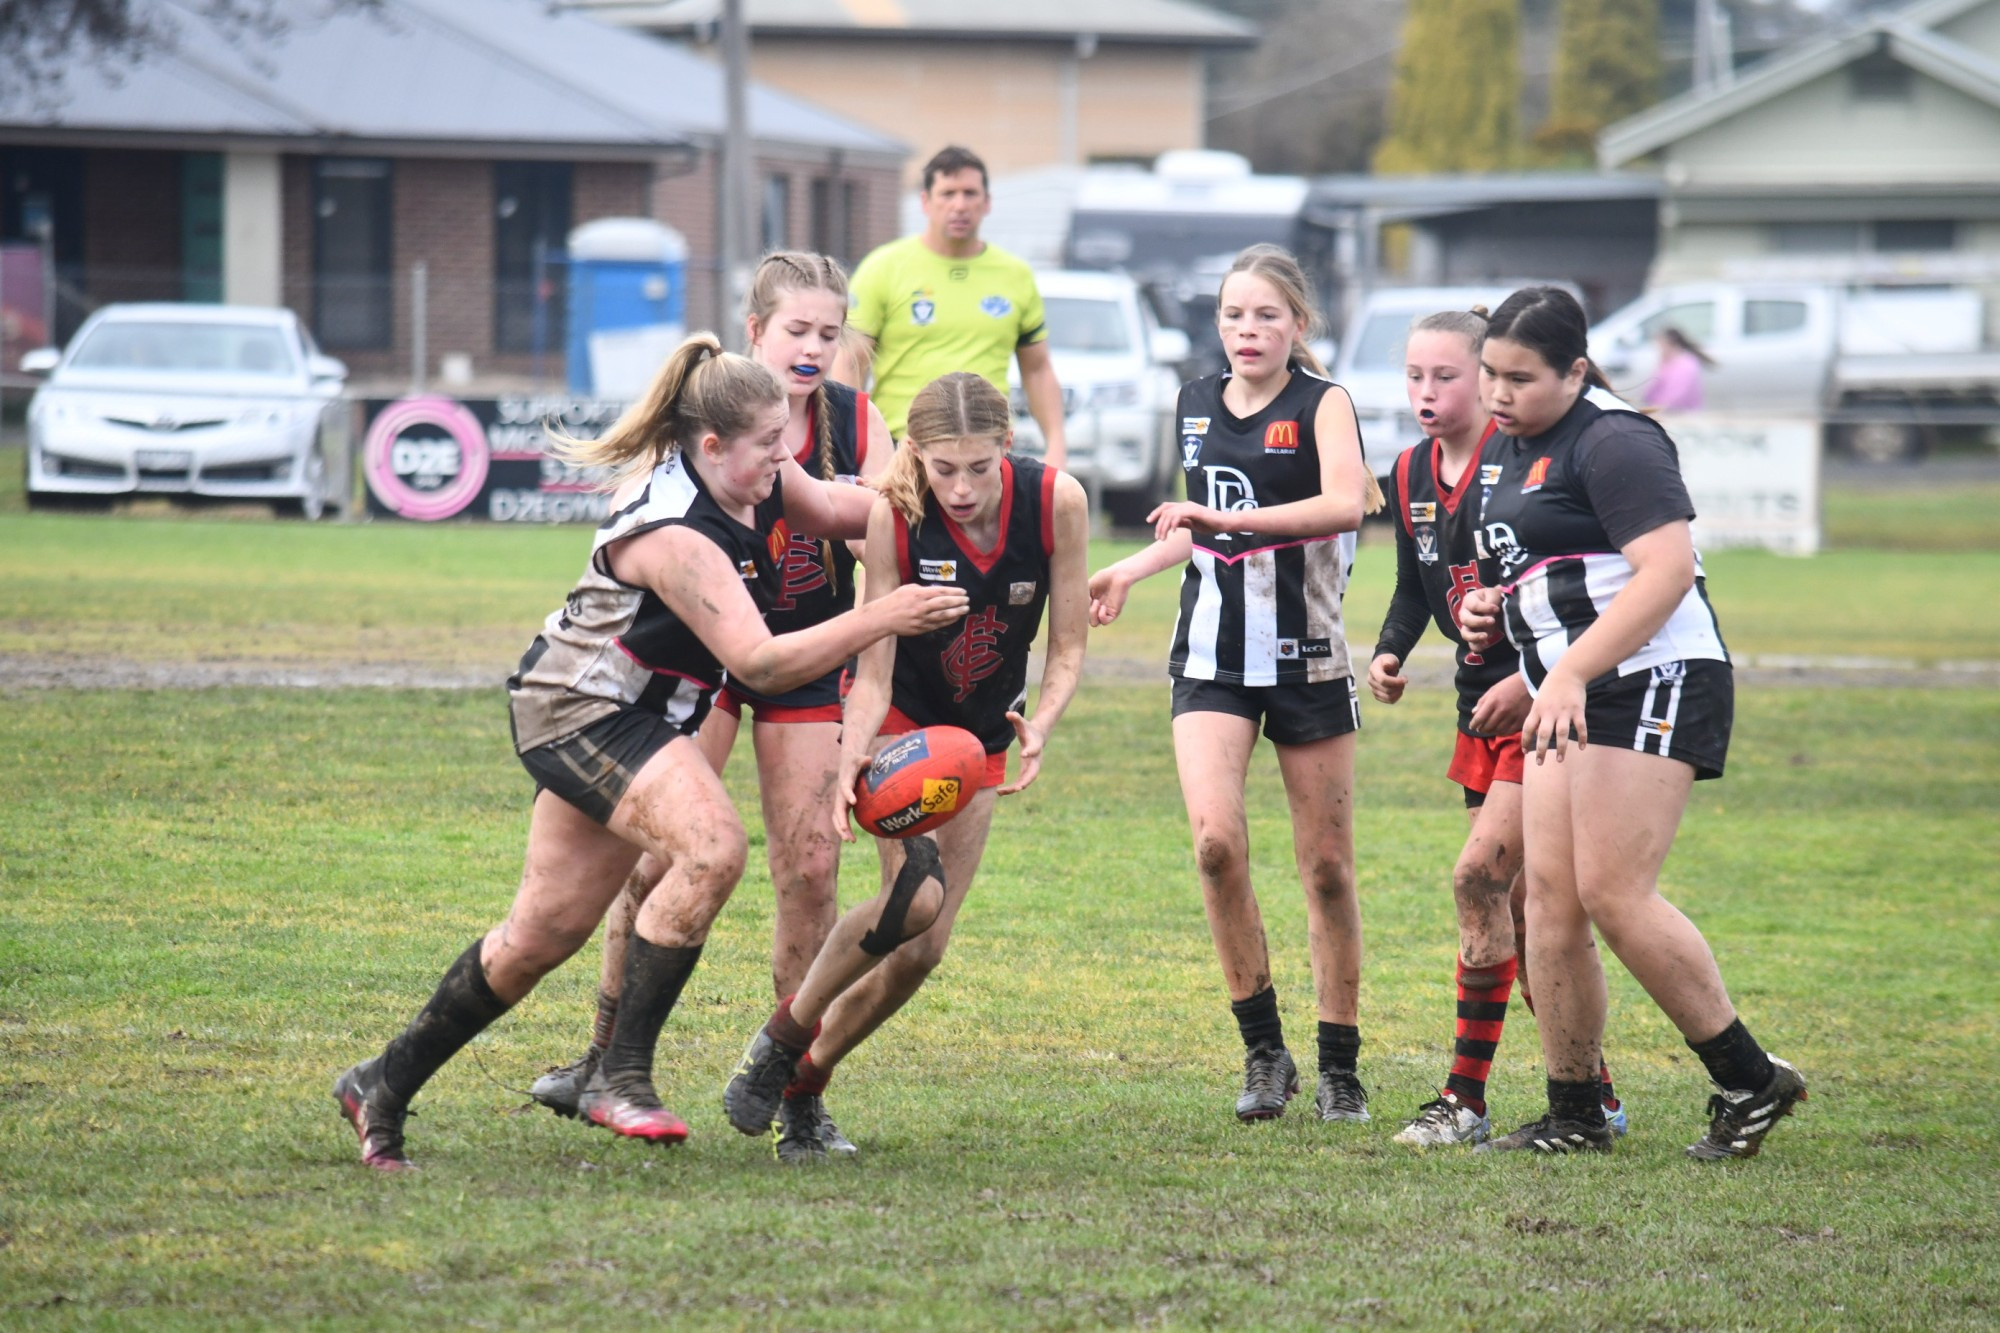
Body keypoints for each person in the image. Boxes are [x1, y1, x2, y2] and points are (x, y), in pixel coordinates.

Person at [331, 335, 966, 1170]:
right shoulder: (675, 529)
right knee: (712, 849)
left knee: (537, 936)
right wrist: (887, 615)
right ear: (712, 446)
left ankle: (379, 1082)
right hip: (579, 709)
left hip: (636, 717)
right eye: (770, 446)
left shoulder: (755, 475)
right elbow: (760, 661)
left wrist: (961, 487)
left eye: (787, 442)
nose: (787, 457)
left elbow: (857, 511)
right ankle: (618, 1074)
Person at [522, 253, 893, 1157]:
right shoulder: (712, 411)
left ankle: (800, 1092)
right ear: (754, 332)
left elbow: (887, 521)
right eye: (795, 331)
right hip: (706, 664)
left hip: (808, 658)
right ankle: (603, 1058)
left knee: (810, 870)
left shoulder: (850, 417)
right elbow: (638, 528)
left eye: (829, 334)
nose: (812, 349)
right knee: (656, 860)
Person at [1458, 286, 1805, 1158]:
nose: (1498, 395)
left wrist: (1568, 668)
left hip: (1652, 675)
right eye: (1489, 374)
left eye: (1521, 378)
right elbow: (1541, 562)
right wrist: (1498, 618)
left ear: (1577, 370)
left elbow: (1664, 571)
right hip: (1569, 687)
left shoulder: (1615, 438)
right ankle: (1574, 1111)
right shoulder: (1508, 447)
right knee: (1549, 901)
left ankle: (1751, 1079)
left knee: (1614, 892)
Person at [720, 370, 1090, 1162]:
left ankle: (804, 1079)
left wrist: (1043, 722)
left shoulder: (1058, 501)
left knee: (923, 948)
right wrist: (854, 754)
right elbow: (875, 662)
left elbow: (1067, 643)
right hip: (901, 723)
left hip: (983, 734)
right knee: (912, 900)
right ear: (915, 454)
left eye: (978, 468)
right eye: (942, 467)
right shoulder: (898, 510)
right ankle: (780, 1036)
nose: (959, 488)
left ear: (1007, 448)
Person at [1087, 244, 1381, 1125]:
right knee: (1216, 844)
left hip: (1308, 656)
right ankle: (1265, 1054)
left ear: (1299, 323)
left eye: (1265, 315)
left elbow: (1345, 502)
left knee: (1325, 867)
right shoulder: (1192, 404)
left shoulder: (1325, 404)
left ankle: (1339, 1064)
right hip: (1210, 658)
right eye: (1231, 315)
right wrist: (1132, 568)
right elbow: (1197, 526)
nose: (1246, 331)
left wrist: (1229, 520)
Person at [1368, 307, 1625, 1148]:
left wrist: (1530, 667)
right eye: (1415, 376)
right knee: (1516, 903)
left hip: (1543, 699)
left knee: (1480, 878)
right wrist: (1391, 649)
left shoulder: (1523, 466)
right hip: (1479, 707)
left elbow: (1576, 585)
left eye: (1449, 375)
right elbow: (1418, 582)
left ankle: (1463, 1099)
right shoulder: (1409, 472)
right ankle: (1597, 1092)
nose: (1429, 392)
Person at [848, 145, 1068, 469]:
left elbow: (1037, 369)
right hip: (904, 448)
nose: (959, 205)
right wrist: (854, 442)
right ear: (925, 201)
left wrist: (1057, 445)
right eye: (947, 193)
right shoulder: (883, 268)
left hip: (987, 451)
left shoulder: (1015, 274)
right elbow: (851, 362)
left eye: (970, 193)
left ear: (987, 202)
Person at [1641, 326, 1713, 411]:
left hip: (1681, 414)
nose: (1658, 350)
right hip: (1664, 411)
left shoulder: (1685, 365)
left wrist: (1655, 408)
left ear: (1669, 345)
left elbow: (1674, 397)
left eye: (1659, 346)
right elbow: (1650, 392)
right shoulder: (1667, 363)